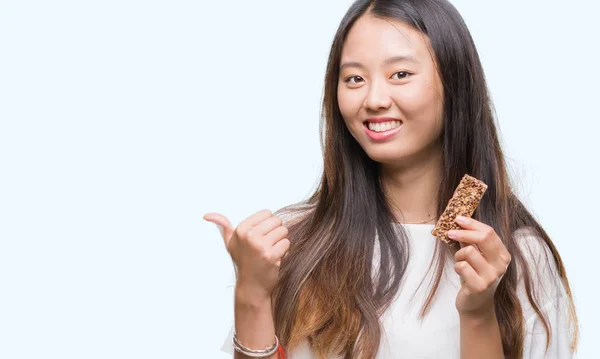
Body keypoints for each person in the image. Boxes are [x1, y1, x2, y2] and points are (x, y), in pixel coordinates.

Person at [203, 0, 579, 358]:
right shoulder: (291, 242)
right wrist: (251, 293)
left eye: (400, 74)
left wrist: (479, 312)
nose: (374, 98)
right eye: (354, 78)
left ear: (456, 84)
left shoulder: (521, 257)